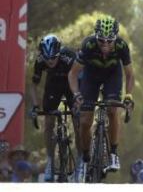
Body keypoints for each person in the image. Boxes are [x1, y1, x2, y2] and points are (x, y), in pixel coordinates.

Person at [68, 15, 135, 182]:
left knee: (113, 110)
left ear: (116, 38)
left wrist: (128, 95)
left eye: (109, 41)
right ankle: (84, 157)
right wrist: (76, 94)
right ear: (96, 37)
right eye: (101, 41)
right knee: (84, 122)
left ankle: (113, 153)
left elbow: (130, 75)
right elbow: (73, 73)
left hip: (113, 75)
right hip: (91, 76)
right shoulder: (88, 44)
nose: (105, 45)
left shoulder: (121, 46)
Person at [29, 34, 81, 182]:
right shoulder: (40, 61)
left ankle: (80, 160)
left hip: (72, 83)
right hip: (54, 85)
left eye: (54, 58)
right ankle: (50, 161)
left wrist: (78, 99)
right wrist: (35, 106)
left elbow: (80, 77)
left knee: (78, 123)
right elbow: (34, 85)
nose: (50, 61)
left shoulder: (69, 57)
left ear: (59, 53)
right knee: (48, 121)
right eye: (47, 58)